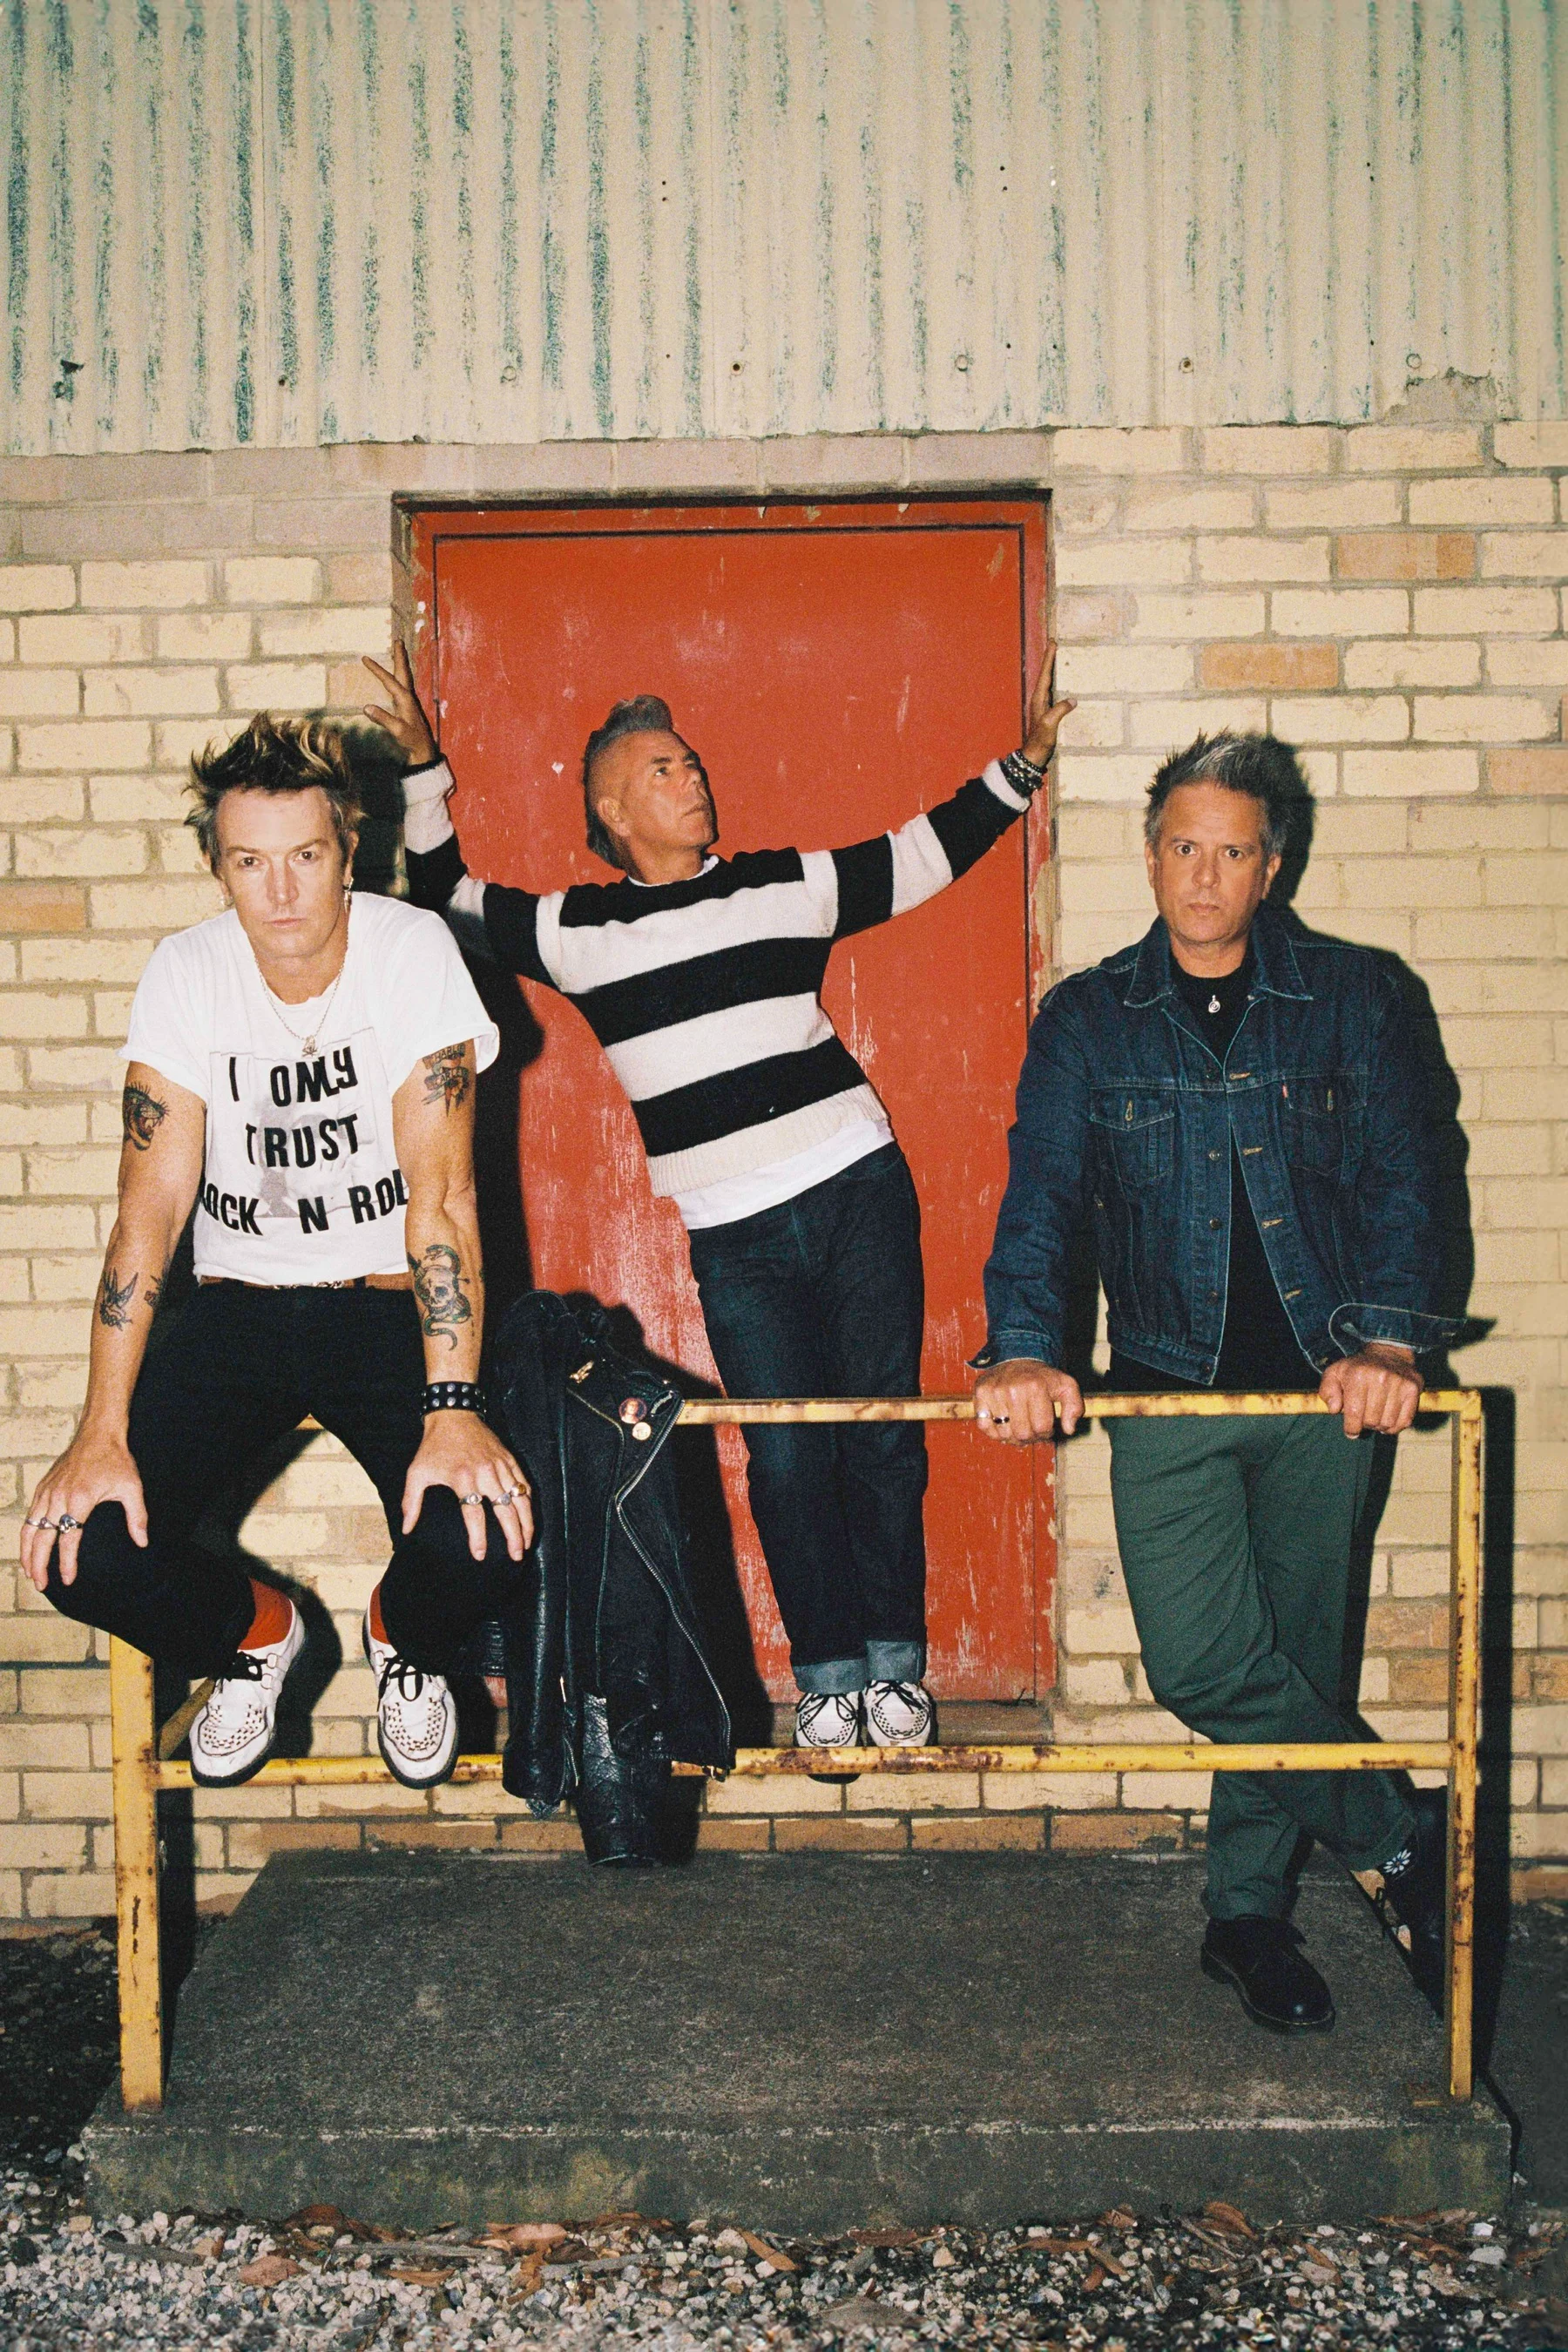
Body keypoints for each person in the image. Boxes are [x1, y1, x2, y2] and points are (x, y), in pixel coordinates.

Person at [366, 642, 1074, 1751]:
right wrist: (421, 773)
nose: (693, 779)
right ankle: (830, 1675)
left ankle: (896, 1669)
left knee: (885, 1431)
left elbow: (917, 855)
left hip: (855, 1187)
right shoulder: (581, 934)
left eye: (692, 762)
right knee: (787, 1450)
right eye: (664, 769)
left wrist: (1020, 768)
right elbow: (447, 902)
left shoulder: (782, 884)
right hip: (733, 1236)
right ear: (609, 805)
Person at [973, 732, 1456, 2031]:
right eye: (1183, 846)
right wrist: (1025, 1343)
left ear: (1271, 864)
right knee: (1204, 1663)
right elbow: (1046, 1201)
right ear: (1150, 856)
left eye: (1231, 850)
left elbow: (1414, 1176)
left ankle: (1249, 1919)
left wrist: (1395, 1346)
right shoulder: (1088, 1020)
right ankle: (1400, 1831)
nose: (1203, 874)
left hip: (1329, 1394)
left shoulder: (1359, 998)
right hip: (1169, 1390)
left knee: (1297, 1655)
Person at [22, 714, 534, 1792]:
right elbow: (149, 1209)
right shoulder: (187, 972)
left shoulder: (410, 953)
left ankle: (405, 1638)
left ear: (350, 849)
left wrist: (453, 1410)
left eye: (306, 857)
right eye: (251, 863)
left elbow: (441, 1198)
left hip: (386, 1305)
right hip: (240, 1308)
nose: (283, 892)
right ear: (219, 869)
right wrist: (98, 1429)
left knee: (493, 1522)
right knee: (83, 1548)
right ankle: (256, 1637)